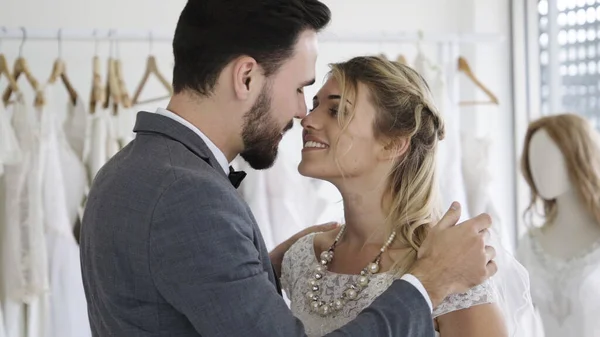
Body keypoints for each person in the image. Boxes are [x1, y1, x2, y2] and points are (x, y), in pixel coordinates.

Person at [79, 1, 497, 336]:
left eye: (334, 109)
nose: (303, 114)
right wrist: (429, 281)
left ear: (394, 142)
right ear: (246, 78)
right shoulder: (189, 196)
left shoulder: (124, 171)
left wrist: (261, 262)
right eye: (301, 90)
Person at [281, 56, 535, 337]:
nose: (307, 119)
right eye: (315, 106)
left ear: (392, 143)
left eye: (336, 110)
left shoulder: (452, 269)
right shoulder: (302, 258)